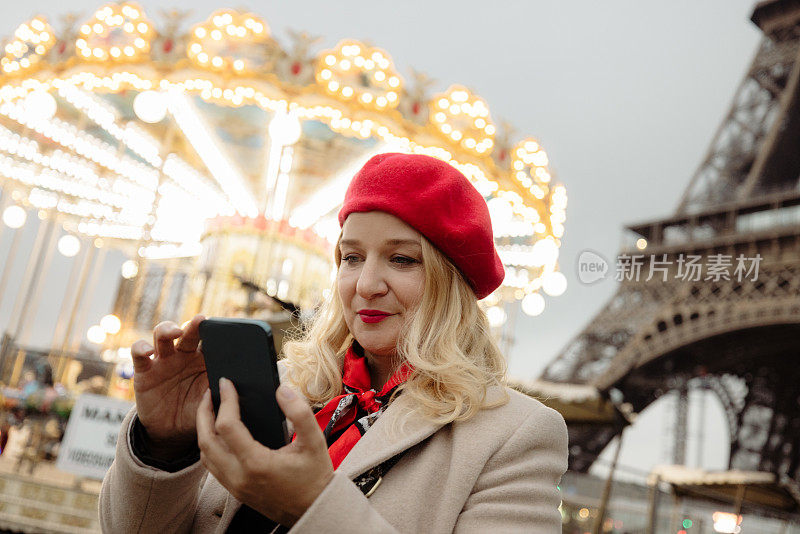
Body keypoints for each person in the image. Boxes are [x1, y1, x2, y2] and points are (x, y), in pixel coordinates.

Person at [99, 153, 568, 533]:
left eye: (401, 259)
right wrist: (163, 446)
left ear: (452, 284)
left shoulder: (513, 435)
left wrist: (313, 506)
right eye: (351, 256)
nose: (365, 284)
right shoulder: (286, 387)